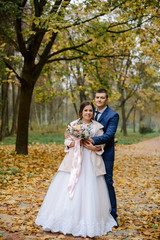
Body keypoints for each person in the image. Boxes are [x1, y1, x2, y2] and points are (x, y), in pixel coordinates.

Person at [35, 101, 117, 238]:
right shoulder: (73, 125)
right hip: (74, 160)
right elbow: (66, 140)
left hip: (90, 161)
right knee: (69, 187)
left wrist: (94, 147)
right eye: (86, 110)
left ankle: (89, 220)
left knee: (89, 189)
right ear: (81, 112)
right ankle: (65, 218)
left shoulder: (98, 126)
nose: (88, 113)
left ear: (93, 112)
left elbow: (102, 142)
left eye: (90, 110)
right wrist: (73, 143)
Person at [83, 89, 119, 226]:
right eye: (97, 97)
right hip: (88, 154)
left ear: (106, 99)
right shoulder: (90, 112)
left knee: (107, 182)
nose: (99, 100)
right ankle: (95, 213)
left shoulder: (113, 115)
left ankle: (112, 215)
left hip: (106, 153)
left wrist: (92, 141)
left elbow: (109, 135)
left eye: (102, 98)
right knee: (91, 182)